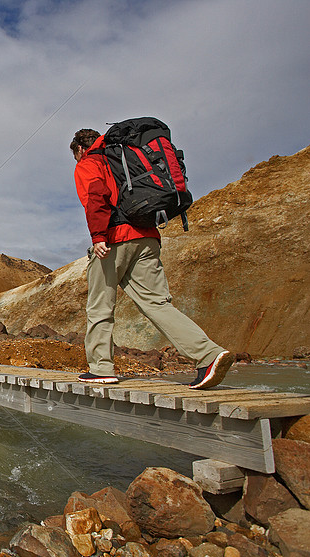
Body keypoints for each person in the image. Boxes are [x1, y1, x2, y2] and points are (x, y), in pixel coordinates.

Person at [69, 127, 233, 388]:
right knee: (157, 303)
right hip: (148, 236)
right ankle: (208, 355)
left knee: (100, 306)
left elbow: (95, 196)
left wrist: (98, 236)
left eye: (74, 155)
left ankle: (101, 368)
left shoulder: (89, 162)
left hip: (115, 238)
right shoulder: (125, 157)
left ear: (79, 148)